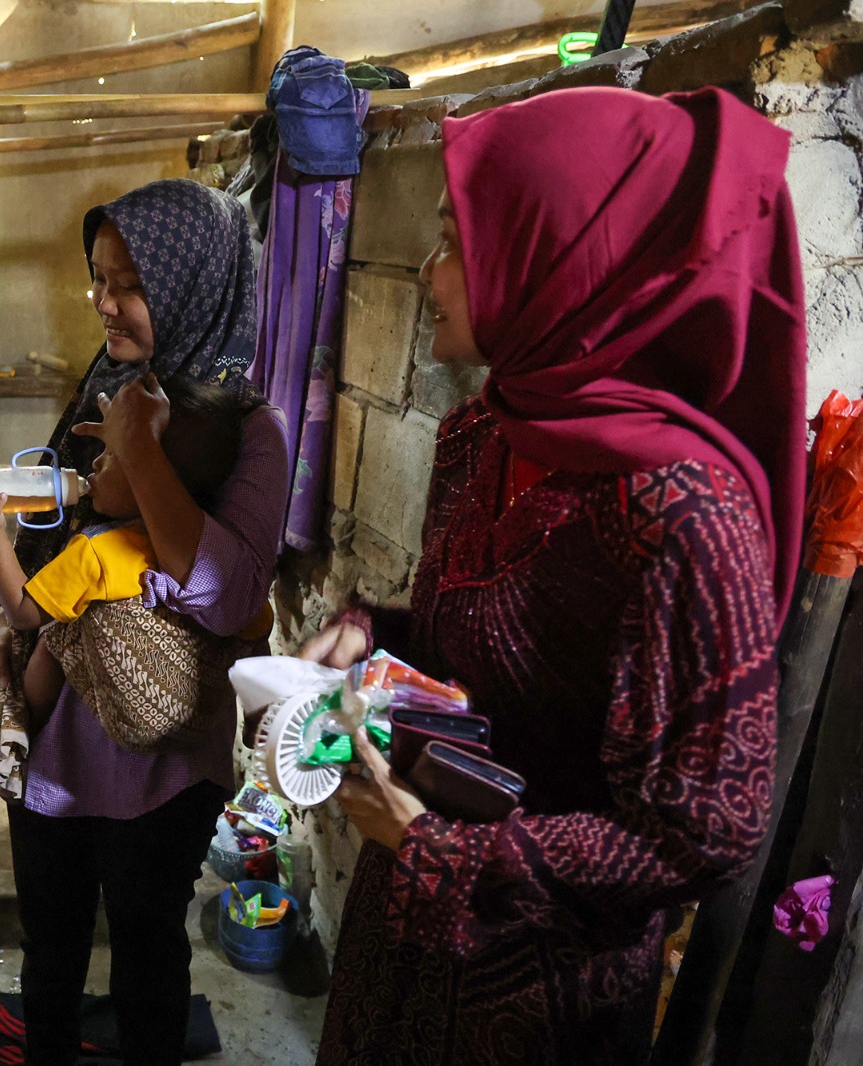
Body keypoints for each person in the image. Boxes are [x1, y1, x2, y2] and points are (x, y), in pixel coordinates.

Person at [299, 87, 805, 1064]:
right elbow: (475, 646)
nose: (424, 267)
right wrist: (371, 629)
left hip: (535, 981)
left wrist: (446, 851)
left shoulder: (682, 516)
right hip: (404, 922)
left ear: (561, 265)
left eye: (455, 239)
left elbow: (699, 838)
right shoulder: (486, 431)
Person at [0, 178, 290, 1065]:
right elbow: (59, 548)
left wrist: (140, 449)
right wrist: (10, 627)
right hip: (57, 745)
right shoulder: (105, 390)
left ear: (193, 286)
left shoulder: (248, 433)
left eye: (129, 284)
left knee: (149, 955)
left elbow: (227, 596)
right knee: (53, 948)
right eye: (99, 279)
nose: (106, 303)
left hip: (161, 761)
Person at [0, 377, 265, 715]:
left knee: (52, 638)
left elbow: (22, 612)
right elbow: (257, 628)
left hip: (86, 736)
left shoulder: (98, 552)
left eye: (112, 453)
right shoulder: (215, 559)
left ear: (148, 471)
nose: (94, 462)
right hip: (190, 748)